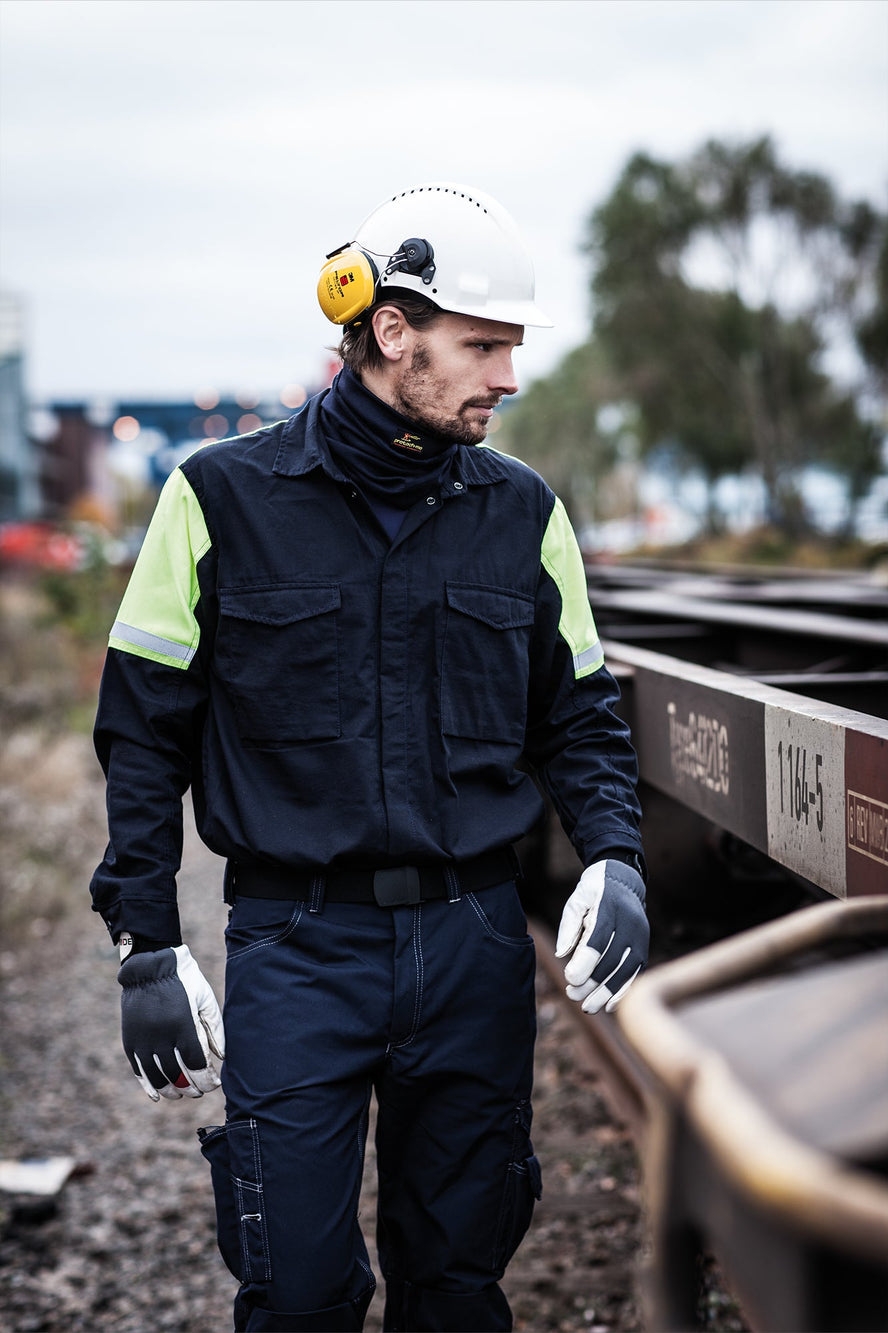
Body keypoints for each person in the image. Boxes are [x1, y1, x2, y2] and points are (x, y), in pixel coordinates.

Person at [90, 182, 649, 1333]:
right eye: (482, 344)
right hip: (301, 947)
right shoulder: (217, 500)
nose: (507, 375)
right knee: (295, 1291)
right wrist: (147, 941)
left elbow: (582, 715)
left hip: (475, 942)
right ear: (392, 332)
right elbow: (142, 731)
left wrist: (617, 856)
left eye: (512, 347)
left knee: (456, 1285)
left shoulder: (525, 512)